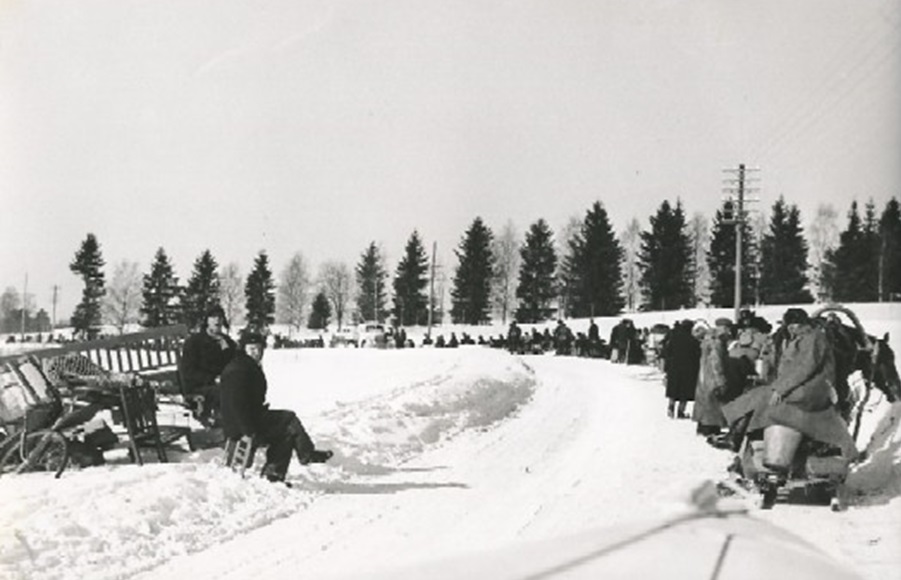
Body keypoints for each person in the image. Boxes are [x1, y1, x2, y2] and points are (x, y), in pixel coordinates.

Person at [219, 329, 333, 484]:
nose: (257, 353)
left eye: (260, 349)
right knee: (289, 418)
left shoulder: (246, 365)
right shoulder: (240, 369)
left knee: (286, 433)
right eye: (252, 349)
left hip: (249, 420)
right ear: (243, 349)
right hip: (241, 426)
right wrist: (247, 431)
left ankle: (273, 476)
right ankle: (306, 454)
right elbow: (236, 404)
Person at [179, 306, 237, 426]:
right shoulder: (194, 342)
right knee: (226, 392)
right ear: (207, 320)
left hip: (223, 383)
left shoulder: (227, 343)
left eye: (220, 317)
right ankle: (224, 426)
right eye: (213, 317)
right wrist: (212, 379)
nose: (217, 320)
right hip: (198, 385)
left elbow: (235, 363)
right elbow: (188, 371)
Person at [692, 318, 732, 437]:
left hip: (703, 375)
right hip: (712, 377)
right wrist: (721, 380)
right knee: (713, 401)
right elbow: (716, 362)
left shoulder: (707, 339)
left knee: (704, 400)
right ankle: (711, 427)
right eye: (727, 328)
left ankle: (702, 425)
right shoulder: (717, 342)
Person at [663, 319, 701, 419]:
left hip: (674, 367)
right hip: (688, 369)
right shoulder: (693, 340)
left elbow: (667, 352)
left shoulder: (674, 338)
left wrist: (667, 367)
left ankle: (671, 407)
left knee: (673, 389)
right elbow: (697, 355)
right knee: (684, 391)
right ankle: (681, 411)